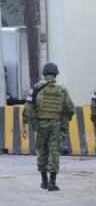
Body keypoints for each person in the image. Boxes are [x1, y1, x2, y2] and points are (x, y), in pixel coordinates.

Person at [23, 62, 75, 192]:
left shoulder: (36, 87)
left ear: (44, 73)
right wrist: (66, 117)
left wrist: (25, 122)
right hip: (56, 124)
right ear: (56, 73)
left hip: (41, 124)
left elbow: (28, 106)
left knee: (42, 150)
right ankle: (53, 182)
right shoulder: (62, 88)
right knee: (54, 151)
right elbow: (70, 108)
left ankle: (44, 181)